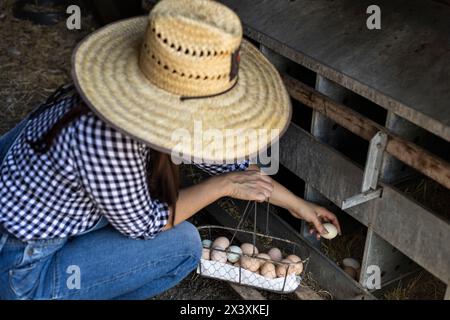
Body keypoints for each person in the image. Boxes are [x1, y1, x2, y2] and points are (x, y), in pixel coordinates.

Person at [0, 0, 340, 300]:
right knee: (183, 246)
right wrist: (221, 188)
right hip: (23, 271)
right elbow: (146, 224)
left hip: (38, 211)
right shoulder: (108, 137)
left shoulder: (134, 94)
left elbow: (229, 166)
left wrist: (300, 206)